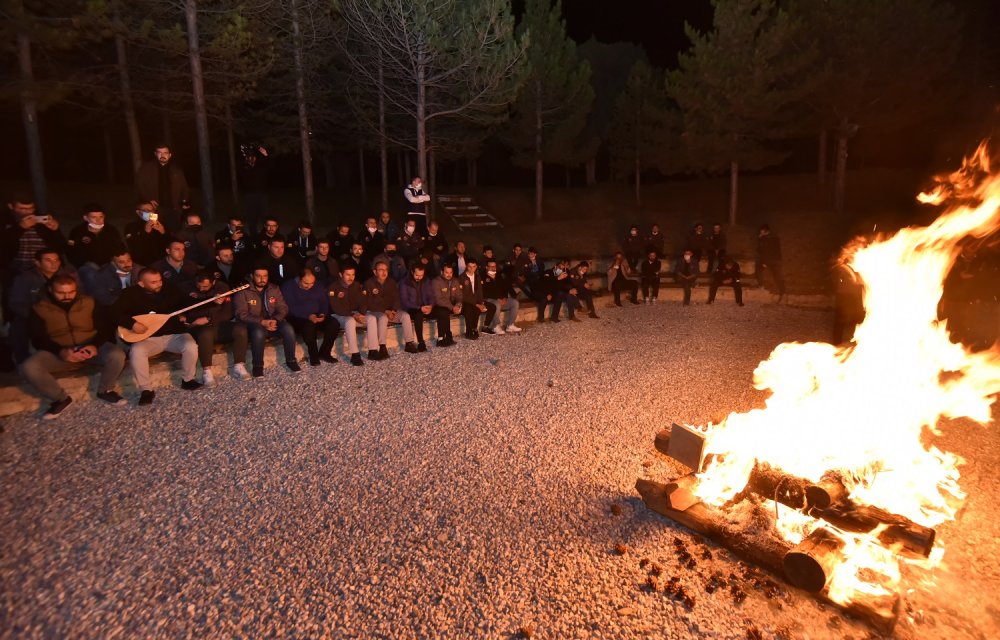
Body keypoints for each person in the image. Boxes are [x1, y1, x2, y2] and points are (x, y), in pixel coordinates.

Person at [22, 275, 128, 419]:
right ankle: (60, 398)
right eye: (61, 293)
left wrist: (95, 345)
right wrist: (60, 351)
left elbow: (104, 327)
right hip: (59, 351)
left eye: (71, 292)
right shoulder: (39, 308)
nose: (67, 296)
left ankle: (105, 390)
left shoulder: (89, 302)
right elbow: (37, 338)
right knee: (30, 366)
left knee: (116, 355)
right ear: (50, 290)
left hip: (89, 346)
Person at [112, 268, 202, 404]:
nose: (159, 284)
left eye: (160, 280)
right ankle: (146, 390)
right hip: (147, 339)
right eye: (153, 282)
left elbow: (188, 303)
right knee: (136, 352)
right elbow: (114, 313)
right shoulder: (129, 294)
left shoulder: (170, 289)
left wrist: (213, 301)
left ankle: (188, 380)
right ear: (141, 283)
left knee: (190, 346)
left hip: (174, 335)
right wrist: (132, 324)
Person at [8, 249, 78, 363]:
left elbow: (80, 296)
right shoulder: (25, 278)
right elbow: (16, 302)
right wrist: (35, 316)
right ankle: (23, 362)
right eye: (48, 260)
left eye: (56, 260)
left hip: (63, 313)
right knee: (18, 328)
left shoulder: (68, 276)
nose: (53, 263)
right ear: (37, 263)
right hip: (35, 315)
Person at [231, 266, 300, 378]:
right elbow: (241, 314)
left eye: (265, 276)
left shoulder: (274, 288)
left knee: (288, 329)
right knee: (258, 333)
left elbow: (283, 307)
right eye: (258, 276)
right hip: (253, 323)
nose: (262, 279)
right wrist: (262, 321)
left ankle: (291, 361)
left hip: (273, 320)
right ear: (252, 276)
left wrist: (275, 320)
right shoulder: (243, 291)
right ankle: (257, 366)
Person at [178, 270, 234, 386]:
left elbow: (227, 312)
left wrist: (209, 319)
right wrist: (183, 317)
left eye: (205, 286)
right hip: (195, 325)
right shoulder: (185, 287)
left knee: (239, 329)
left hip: (217, 323)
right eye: (199, 286)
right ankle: (207, 372)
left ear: (213, 282)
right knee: (205, 333)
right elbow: (183, 306)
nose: (201, 289)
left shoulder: (222, 287)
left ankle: (239, 365)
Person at [281, 269, 340, 365]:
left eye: (312, 283)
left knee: (334, 323)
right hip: (297, 317)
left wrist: (322, 314)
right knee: (309, 326)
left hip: (316, 314)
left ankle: (325, 352)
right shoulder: (288, 287)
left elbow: (324, 302)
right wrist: (307, 316)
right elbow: (290, 307)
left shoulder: (317, 285)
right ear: (299, 279)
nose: (309, 286)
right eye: (306, 283)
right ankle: (313, 355)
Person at [134, 144, 190, 232]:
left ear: (170, 155)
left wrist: (184, 201)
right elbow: (139, 185)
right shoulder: (147, 168)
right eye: (159, 152)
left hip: (173, 209)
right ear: (155, 154)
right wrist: (148, 199)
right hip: (155, 209)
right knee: (155, 232)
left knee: (173, 233)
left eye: (165, 153)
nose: (162, 155)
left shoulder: (176, 170)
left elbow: (184, 188)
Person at [66, 203, 125, 273]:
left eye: (101, 217)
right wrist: (83, 264)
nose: (98, 220)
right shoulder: (77, 231)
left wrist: (114, 261)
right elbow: (70, 251)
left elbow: (120, 247)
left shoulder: (111, 230)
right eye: (94, 217)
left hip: (109, 265)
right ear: (86, 218)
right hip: (86, 266)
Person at [327, 264, 367, 366]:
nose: (351, 277)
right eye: (348, 275)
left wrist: (362, 313)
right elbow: (336, 308)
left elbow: (362, 302)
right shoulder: (334, 287)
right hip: (338, 315)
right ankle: (355, 354)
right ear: (341, 274)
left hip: (353, 314)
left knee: (371, 318)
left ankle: (373, 350)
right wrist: (354, 315)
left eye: (353, 274)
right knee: (350, 321)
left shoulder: (356, 285)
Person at [362, 260, 401, 360]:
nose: (384, 272)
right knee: (383, 318)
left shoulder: (391, 282)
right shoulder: (369, 283)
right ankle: (380, 347)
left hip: (389, 310)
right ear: (375, 272)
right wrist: (385, 311)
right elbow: (368, 303)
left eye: (386, 270)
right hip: (374, 310)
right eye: (381, 270)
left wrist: (394, 310)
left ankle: (409, 343)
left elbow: (397, 298)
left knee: (405, 316)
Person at [398, 264, 436, 352]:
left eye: (421, 275)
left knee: (442, 311)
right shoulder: (404, 282)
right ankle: (421, 342)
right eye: (417, 275)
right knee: (418, 315)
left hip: (425, 306)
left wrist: (430, 305)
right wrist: (419, 308)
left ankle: (442, 338)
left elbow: (431, 296)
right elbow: (404, 301)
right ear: (412, 272)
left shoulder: (426, 281)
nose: (419, 277)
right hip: (411, 308)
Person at [481, 258, 521, 334]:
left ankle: (510, 325)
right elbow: (485, 292)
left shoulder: (499, 276)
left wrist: (505, 297)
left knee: (515, 302)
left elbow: (504, 288)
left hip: (501, 299)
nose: (493, 268)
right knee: (496, 304)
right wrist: (497, 299)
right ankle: (495, 326)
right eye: (491, 266)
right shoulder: (482, 277)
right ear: (486, 267)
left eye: (494, 266)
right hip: (489, 300)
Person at [123, 202, 168, 267]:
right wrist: (146, 232)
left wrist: (163, 232)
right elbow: (133, 246)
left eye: (151, 210)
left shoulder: (161, 224)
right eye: (145, 210)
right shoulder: (131, 227)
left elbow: (169, 243)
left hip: (161, 263)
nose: (149, 212)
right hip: (142, 264)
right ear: (138, 212)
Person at [238, 143, 269, 234]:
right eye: (249, 158)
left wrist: (266, 155)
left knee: (264, 217)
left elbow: (269, 165)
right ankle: (253, 236)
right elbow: (240, 163)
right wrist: (243, 152)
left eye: (253, 157)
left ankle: (265, 236)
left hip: (262, 195)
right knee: (251, 218)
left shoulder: (260, 168)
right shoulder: (244, 169)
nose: (251, 159)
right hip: (249, 196)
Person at [430, 263, 463, 346]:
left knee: (469, 307)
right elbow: (438, 299)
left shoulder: (455, 281)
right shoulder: (436, 282)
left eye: (450, 272)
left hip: (451, 306)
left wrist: (458, 305)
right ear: (442, 272)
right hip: (436, 306)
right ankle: (441, 339)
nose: (449, 275)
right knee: (443, 312)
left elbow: (459, 296)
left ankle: (470, 331)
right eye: (446, 272)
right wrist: (452, 307)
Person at [458, 258, 491, 339]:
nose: (472, 268)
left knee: (484, 308)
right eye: (469, 266)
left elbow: (480, 291)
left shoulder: (477, 277)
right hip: (465, 301)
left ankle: (475, 328)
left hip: (475, 301)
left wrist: (481, 303)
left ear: (476, 267)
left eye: (474, 266)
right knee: (469, 309)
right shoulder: (461, 278)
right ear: (466, 266)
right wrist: (477, 304)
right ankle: (468, 331)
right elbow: (464, 296)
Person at [831, 262, 863, 342]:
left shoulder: (854, 268)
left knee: (855, 318)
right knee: (840, 318)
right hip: (844, 295)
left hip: (851, 295)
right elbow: (836, 280)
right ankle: (837, 341)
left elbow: (859, 282)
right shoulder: (842, 268)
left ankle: (855, 339)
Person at [756, 224, 786, 302]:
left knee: (759, 269)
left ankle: (761, 286)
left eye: (762, 232)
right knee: (778, 275)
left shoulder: (764, 239)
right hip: (777, 260)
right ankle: (782, 292)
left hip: (769, 260)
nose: (761, 233)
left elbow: (761, 250)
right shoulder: (776, 237)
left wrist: (760, 239)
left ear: (767, 232)